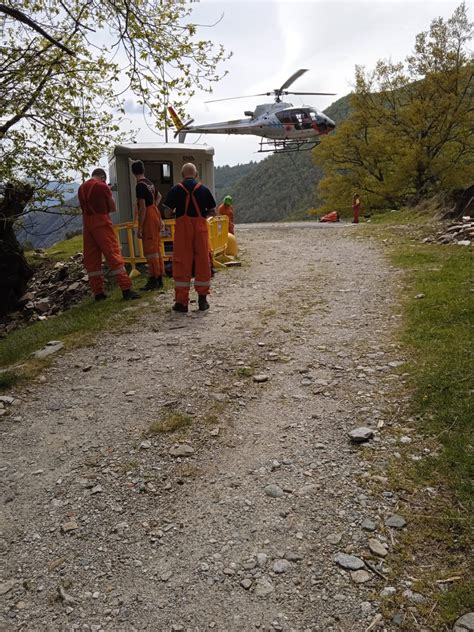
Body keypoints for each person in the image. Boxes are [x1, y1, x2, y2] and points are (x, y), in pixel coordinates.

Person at [78, 168, 139, 301]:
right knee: (113, 255)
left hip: (87, 225)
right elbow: (113, 208)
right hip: (101, 222)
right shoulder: (102, 186)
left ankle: (98, 293)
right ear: (103, 177)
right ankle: (126, 289)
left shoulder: (81, 188)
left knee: (92, 260)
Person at [163, 163, 216, 313]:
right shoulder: (204, 190)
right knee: (202, 262)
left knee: (182, 262)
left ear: (182, 174)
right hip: (200, 229)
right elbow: (213, 212)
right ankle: (202, 300)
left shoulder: (175, 189)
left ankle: (181, 303)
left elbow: (167, 212)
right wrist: (202, 214)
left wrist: (175, 213)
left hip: (183, 230)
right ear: (196, 174)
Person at [131, 160, 164, 291]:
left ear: (133, 172)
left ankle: (154, 279)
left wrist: (140, 228)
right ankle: (159, 276)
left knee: (150, 250)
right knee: (156, 247)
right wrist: (155, 207)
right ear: (143, 170)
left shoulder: (139, 186)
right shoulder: (149, 183)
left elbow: (142, 207)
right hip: (155, 212)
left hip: (149, 215)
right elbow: (159, 196)